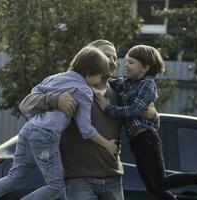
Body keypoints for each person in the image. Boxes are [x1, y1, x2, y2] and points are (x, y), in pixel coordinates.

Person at [19, 39, 159, 200]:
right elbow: (25, 104)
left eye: (114, 58)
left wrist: (153, 115)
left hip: (113, 177)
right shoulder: (69, 86)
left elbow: (148, 124)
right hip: (79, 180)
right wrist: (55, 100)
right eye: (107, 57)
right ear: (92, 58)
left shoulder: (120, 92)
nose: (113, 62)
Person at [0, 46, 118, 200]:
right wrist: (107, 144)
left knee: (15, 176)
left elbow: (29, 105)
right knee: (56, 186)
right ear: (89, 72)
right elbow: (86, 130)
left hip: (27, 131)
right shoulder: (84, 90)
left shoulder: (54, 77)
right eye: (100, 76)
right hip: (46, 137)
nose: (99, 81)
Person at [95, 44, 197, 200]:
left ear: (145, 67)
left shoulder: (148, 85)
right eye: (126, 62)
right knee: (153, 189)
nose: (126, 65)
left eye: (131, 62)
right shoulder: (127, 82)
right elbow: (110, 82)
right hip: (136, 142)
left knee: (160, 183)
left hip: (147, 139)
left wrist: (108, 109)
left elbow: (135, 109)